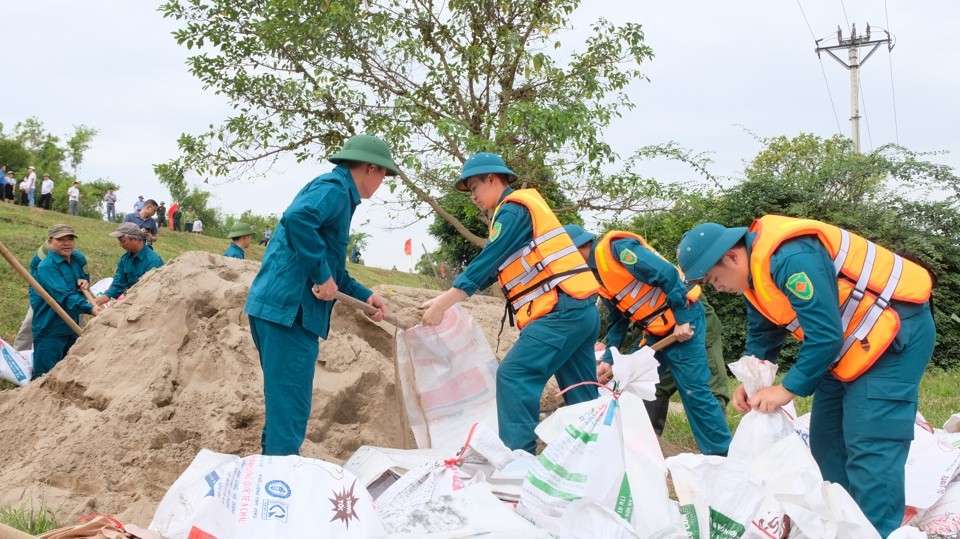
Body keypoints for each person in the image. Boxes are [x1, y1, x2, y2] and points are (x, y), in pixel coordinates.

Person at [676, 215, 935, 537]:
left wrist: (787, 389)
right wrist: (753, 378)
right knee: (827, 443)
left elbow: (825, 335)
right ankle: (847, 527)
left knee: (870, 443)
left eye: (714, 279)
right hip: (846, 349)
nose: (717, 288)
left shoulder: (792, 258)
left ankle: (877, 530)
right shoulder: (755, 277)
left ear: (731, 256)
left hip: (894, 334)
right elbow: (763, 332)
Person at [421, 153, 601, 454]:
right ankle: (597, 465)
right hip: (580, 312)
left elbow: (488, 258)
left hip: (560, 313)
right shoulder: (523, 211)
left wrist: (445, 302)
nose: (473, 196)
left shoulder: (513, 209)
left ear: (493, 179)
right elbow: (495, 269)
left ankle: (518, 466)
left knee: (514, 377)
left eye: (475, 187)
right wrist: (444, 299)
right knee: (582, 396)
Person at [244, 134, 397, 456]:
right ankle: (279, 482)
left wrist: (365, 297)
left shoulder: (336, 194)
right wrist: (321, 275)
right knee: (290, 408)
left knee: (284, 404)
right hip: (290, 315)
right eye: (383, 174)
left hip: (278, 310)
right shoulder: (334, 190)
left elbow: (334, 272)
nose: (382, 182)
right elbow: (298, 218)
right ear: (370, 169)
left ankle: (272, 469)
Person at [561, 224, 731, 455]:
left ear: (578, 248)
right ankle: (631, 452)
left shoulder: (616, 249)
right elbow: (618, 322)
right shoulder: (597, 277)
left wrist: (681, 318)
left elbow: (667, 274)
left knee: (695, 392)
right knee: (634, 384)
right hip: (656, 333)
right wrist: (609, 359)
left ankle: (721, 458)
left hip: (684, 320)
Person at [31, 224, 103, 377]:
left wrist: (84, 282)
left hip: (71, 326)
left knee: (68, 374)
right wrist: (90, 308)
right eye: (61, 239)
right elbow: (64, 296)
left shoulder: (76, 261)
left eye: (70, 239)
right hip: (50, 328)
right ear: (50, 241)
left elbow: (80, 286)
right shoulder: (46, 267)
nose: (67, 243)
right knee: (45, 377)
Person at [95, 222, 164, 304]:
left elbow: (152, 293)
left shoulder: (153, 261)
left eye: (123, 241)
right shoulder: (125, 260)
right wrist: (94, 303)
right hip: (131, 302)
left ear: (135, 239)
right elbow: (117, 287)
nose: (120, 245)